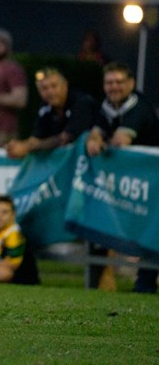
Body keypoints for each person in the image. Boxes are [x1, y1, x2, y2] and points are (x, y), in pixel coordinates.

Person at [85, 61, 159, 293]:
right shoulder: (107, 106)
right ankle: (102, 285)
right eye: (109, 82)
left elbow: (120, 141)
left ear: (131, 83)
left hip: (152, 184)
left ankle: (144, 286)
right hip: (131, 185)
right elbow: (94, 134)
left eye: (119, 82)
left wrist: (101, 142)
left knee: (153, 232)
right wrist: (93, 139)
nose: (114, 87)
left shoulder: (139, 106)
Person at [5, 67, 98, 159]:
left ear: (65, 85)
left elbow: (66, 139)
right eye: (44, 88)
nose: (50, 92)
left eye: (54, 86)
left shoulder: (82, 102)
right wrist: (19, 146)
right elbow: (36, 137)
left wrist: (27, 147)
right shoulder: (46, 107)